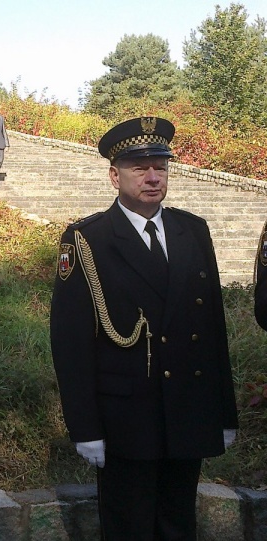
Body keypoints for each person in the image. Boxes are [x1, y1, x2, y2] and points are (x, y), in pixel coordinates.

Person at [49, 117, 238, 540]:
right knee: (129, 526)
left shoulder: (194, 230)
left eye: (161, 167)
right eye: (140, 167)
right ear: (115, 175)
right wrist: (85, 428)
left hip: (188, 407)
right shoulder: (87, 239)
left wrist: (223, 411)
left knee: (178, 522)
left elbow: (212, 330)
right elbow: (70, 343)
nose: (153, 177)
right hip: (126, 418)